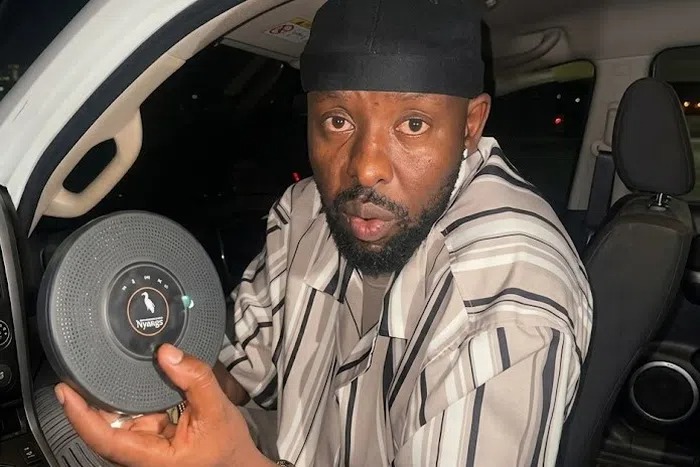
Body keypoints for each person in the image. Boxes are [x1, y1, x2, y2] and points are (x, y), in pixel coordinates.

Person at [55, 0, 593, 465]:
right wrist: (140, 376)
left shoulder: (505, 300)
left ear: (471, 125)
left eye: (413, 124)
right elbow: (239, 368)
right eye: (339, 121)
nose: (365, 168)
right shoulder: (306, 211)